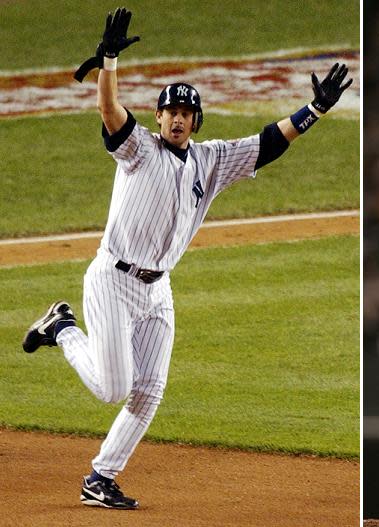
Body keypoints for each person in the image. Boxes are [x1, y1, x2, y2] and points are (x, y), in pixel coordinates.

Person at [22, 7, 352, 510]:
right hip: (113, 280)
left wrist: (315, 111)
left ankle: (100, 479)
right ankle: (63, 327)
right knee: (114, 389)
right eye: (170, 111)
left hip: (158, 290)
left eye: (186, 112)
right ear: (158, 117)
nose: (178, 118)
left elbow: (266, 144)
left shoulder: (210, 161)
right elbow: (110, 113)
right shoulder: (138, 150)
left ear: (196, 120)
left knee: (148, 390)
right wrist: (108, 59)